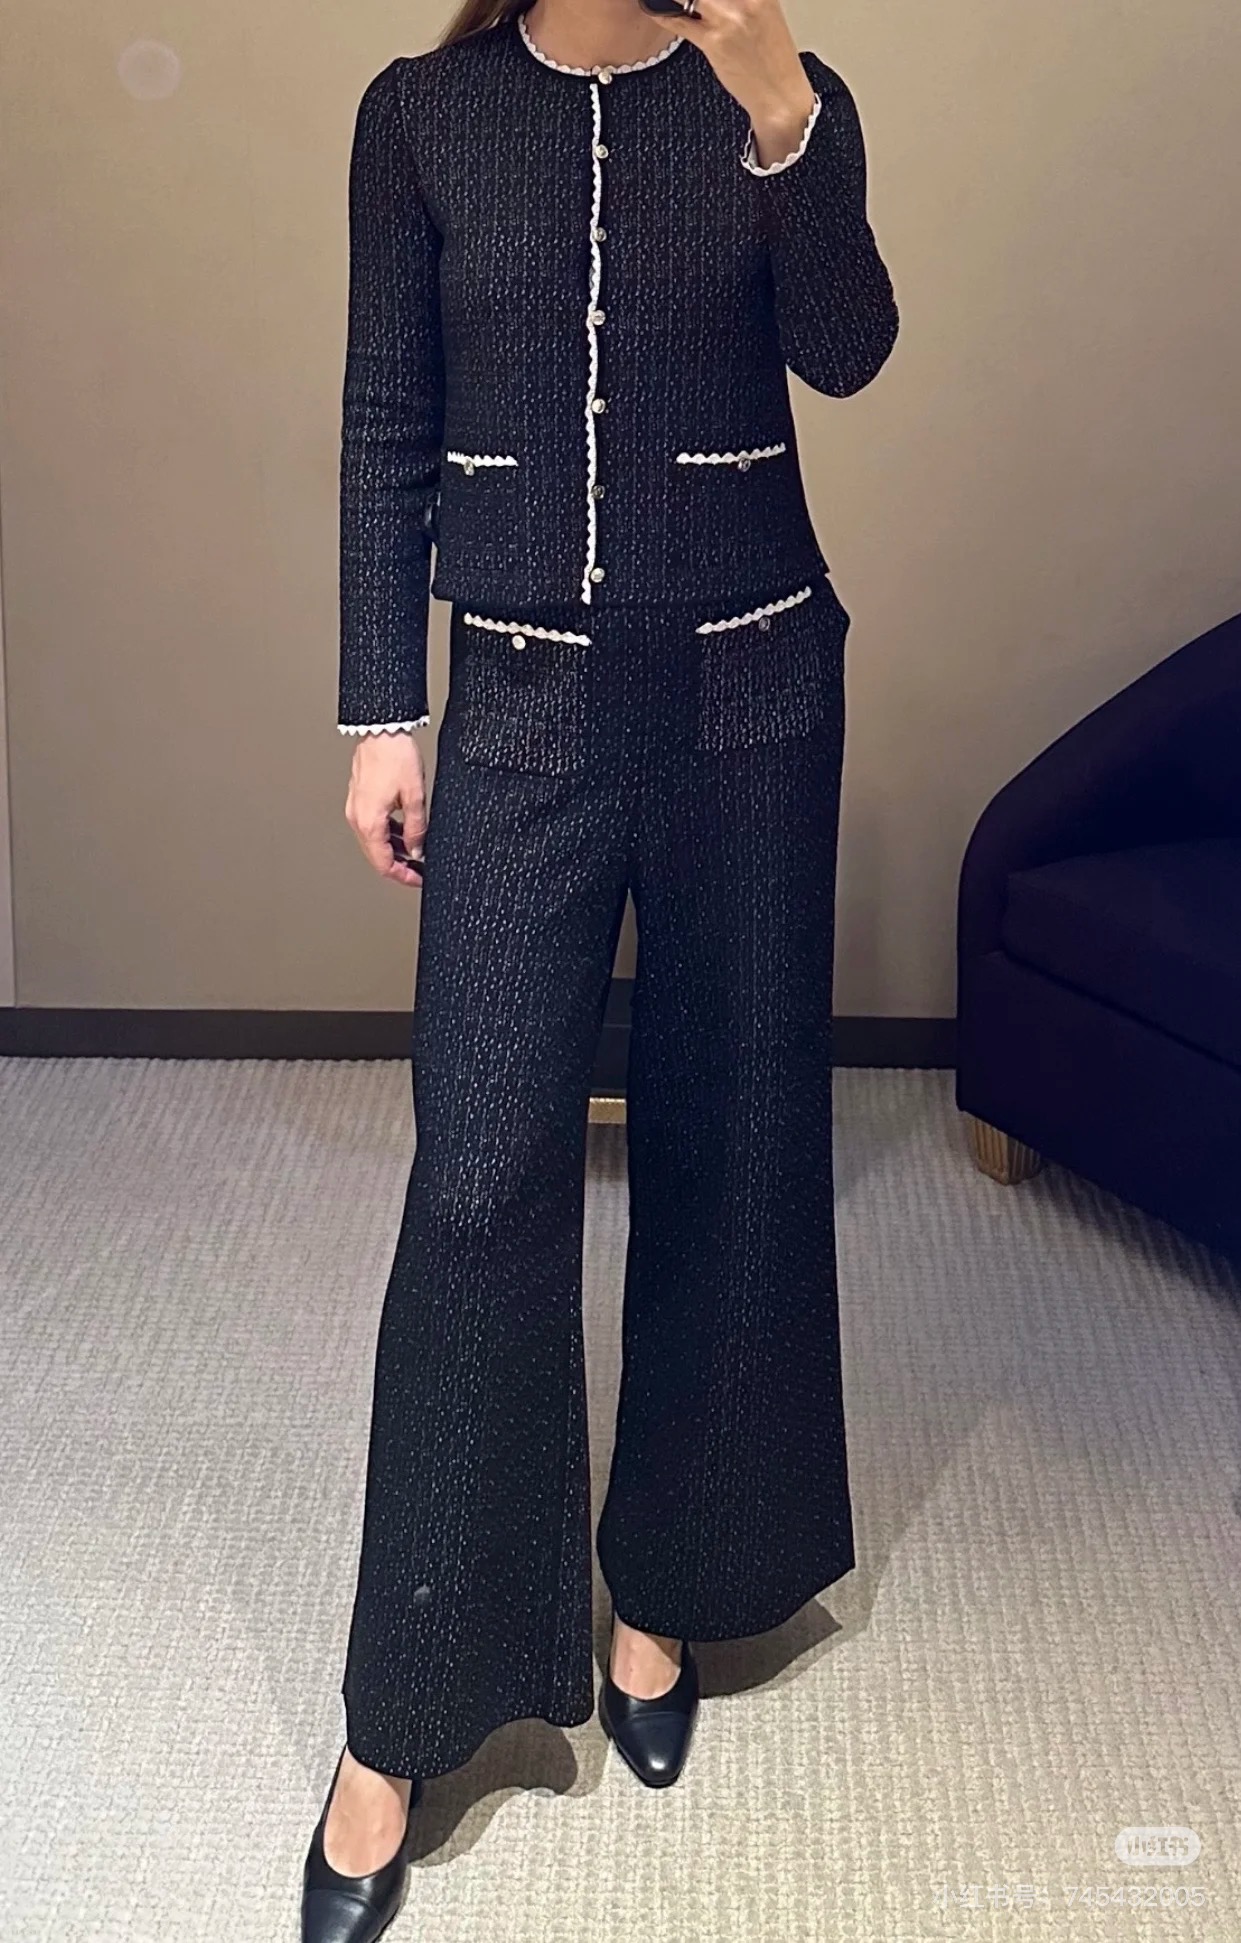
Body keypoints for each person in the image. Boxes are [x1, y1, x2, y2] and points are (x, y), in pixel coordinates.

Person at [301, 0, 898, 1934]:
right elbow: (384, 417)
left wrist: (784, 119)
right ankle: (402, 1715)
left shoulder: (778, 95)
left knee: (732, 1145)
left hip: (753, 689)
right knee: (479, 1182)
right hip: (525, 709)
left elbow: (849, 349)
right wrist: (378, 710)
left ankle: (667, 1596)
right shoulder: (422, 113)